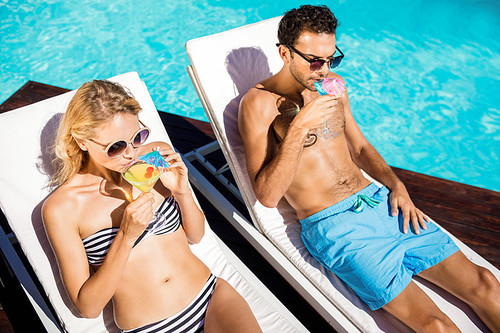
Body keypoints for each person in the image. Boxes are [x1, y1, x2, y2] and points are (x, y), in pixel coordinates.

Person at [238, 5, 500, 332]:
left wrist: (396, 184)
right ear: (284, 53)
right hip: (337, 226)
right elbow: (266, 194)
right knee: (436, 325)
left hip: (380, 201)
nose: (324, 69)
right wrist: (301, 126)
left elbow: (359, 147)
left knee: (486, 283)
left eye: (333, 58)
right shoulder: (258, 104)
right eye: (315, 61)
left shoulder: (333, 84)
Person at [42, 80, 261, 333]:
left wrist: (181, 191)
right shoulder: (63, 208)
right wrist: (125, 236)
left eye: (138, 136)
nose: (132, 153)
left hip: (212, 298)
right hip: (148, 327)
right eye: (116, 147)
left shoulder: (157, 156)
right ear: (82, 142)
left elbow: (196, 235)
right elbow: (88, 307)